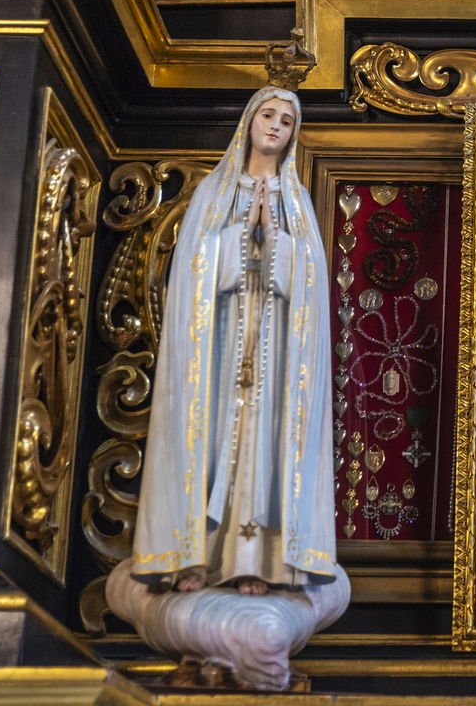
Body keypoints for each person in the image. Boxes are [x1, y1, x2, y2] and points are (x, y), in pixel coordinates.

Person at [131, 86, 336, 594]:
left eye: (286, 121)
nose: (275, 126)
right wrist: (243, 237)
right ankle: (191, 558)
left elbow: (311, 283)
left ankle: (255, 562)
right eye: (268, 115)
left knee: (259, 443)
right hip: (217, 348)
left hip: (274, 352)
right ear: (248, 122)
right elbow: (192, 270)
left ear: (293, 136)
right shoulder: (214, 193)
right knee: (210, 439)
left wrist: (276, 241)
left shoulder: (296, 201)